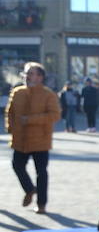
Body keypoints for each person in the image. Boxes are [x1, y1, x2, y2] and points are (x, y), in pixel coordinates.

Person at [6, 62, 60, 214]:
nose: (28, 76)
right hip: (20, 139)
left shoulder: (48, 94)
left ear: (40, 77)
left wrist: (31, 119)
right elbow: (9, 112)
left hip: (40, 140)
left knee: (41, 172)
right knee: (17, 166)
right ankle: (30, 189)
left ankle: (41, 204)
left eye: (31, 73)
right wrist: (10, 128)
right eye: (27, 73)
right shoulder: (17, 92)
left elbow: (54, 115)